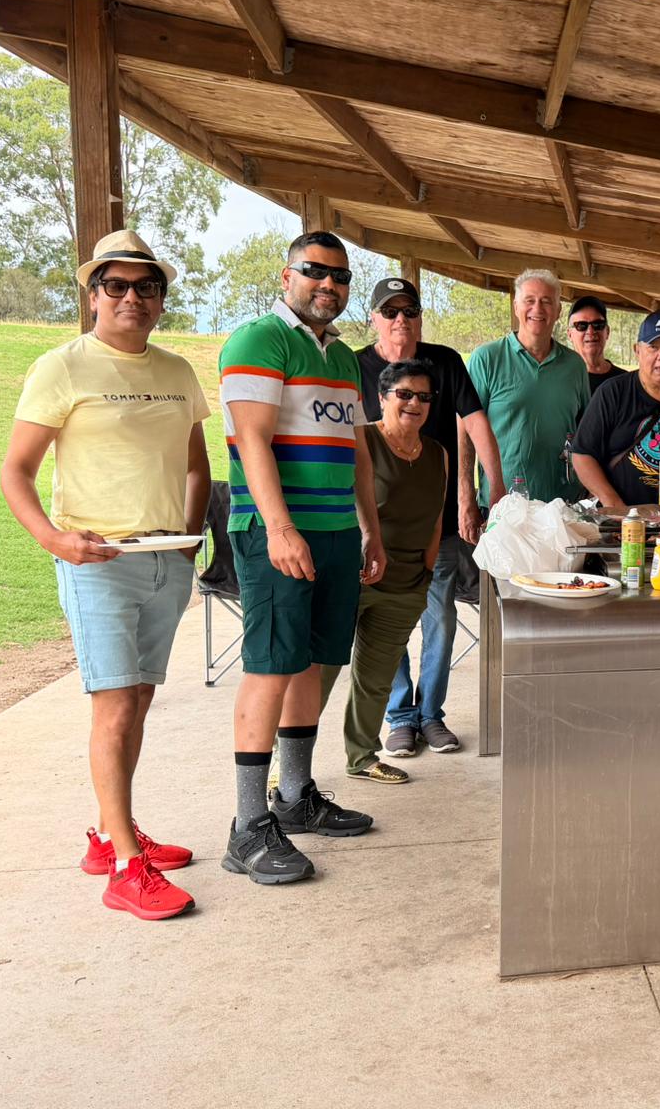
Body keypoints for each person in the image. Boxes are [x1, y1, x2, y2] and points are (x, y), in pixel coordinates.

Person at [1, 230, 209, 920]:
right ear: (94, 295)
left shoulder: (176, 371)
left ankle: (109, 834)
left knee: (139, 699)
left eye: (146, 287)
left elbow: (196, 463)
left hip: (166, 560)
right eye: (115, 285)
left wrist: (189, 535)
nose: (131, 298)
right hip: (99, 563)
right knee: (115, 705)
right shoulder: (62, 367)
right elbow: (16, 472)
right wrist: (54, 540)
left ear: (160, 300)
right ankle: (125, 867)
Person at [217, 230, 386, 886]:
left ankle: (295, 797)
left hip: (337, 532)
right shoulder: (260, 340)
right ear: (287, 276)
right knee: (271, 667)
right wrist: (280, 529)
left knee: (314, 662)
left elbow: (358, 453)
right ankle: (247, 827)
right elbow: (252, 441)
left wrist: (369, 530)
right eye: (315, 271)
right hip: (278, 534)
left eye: (340, 276)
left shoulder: (341, 357)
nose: (329, 284)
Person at [353, 276, 501, 760]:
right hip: (377, 526)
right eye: (390, 311)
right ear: (374, 319)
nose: (401, 320)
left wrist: (494, 489)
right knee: (385, 623)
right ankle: (399, 716)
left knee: (441, 617)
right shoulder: (353, 366)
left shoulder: (446, 362)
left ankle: (431, 714)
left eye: (410, 311)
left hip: (435, 523)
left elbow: (475, 423)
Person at [337, 360, 447, 784]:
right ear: (382, 398)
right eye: (404, 393)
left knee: (376, 679)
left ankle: (362, 757)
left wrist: (427, 569)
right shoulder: (361, 438)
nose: (414, 402)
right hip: (356, 575)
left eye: (423, 396)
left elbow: (436, 517)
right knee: (317, 673)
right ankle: (284, 766)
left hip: (407, 582)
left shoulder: (437, 453)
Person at [464, 268, 589, 504]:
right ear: (516, 307)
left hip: (564, 505)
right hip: (502, 504)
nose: (537, 309)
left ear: (559, 310)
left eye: (546, 301)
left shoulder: (575, 366)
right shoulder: (486, 359)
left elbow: (587, 433)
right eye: (529, 300)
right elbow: (465, 431)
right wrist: (466, 498)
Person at [571, 310, 660, 507]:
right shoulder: (613, 393)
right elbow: (582, 455)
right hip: (619, 521)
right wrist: (614, 505)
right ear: (637, 351)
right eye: (653, 347)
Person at [568, 295, 627, 394]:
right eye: (581, 325)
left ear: (607, 331)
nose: (590, 331)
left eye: (598, 324)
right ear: (569, 334)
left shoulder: (626, 382)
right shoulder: (560, 379)